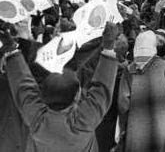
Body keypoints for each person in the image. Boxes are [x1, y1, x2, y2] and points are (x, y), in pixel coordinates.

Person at [0, 22, 120, 152]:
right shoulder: (82, 121)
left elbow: (23, 86)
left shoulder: (38, 120)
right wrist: (109, 46)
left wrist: (10, 49)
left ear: (42, 95)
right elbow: (102, 90)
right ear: (77, 96)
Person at [118, 30, 165, 152]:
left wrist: (123, 126)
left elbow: (123, 104)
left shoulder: (129, 70)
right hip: (162, 130)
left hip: (136, 133)